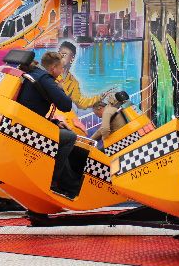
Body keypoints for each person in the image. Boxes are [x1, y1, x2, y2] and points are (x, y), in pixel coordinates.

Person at [17, 51, 81, 196]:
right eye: (61, 68)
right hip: (29, 130)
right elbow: (66, 105)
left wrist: (53, 122)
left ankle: (69, 184)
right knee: (69, 137)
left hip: (25, 124)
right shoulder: (45, 79)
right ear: (53, 68)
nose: (62, 71)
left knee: (60, 136)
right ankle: (52, 180)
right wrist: (60, 88)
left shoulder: (34, 73)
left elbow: (32, 107)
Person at [56, 41, 111, 110]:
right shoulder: (50, 72)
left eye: (63, 55)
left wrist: (100, 97)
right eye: (58, 54)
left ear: (72, 59)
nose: (59, 57)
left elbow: (80, 102)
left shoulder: (73, 82)